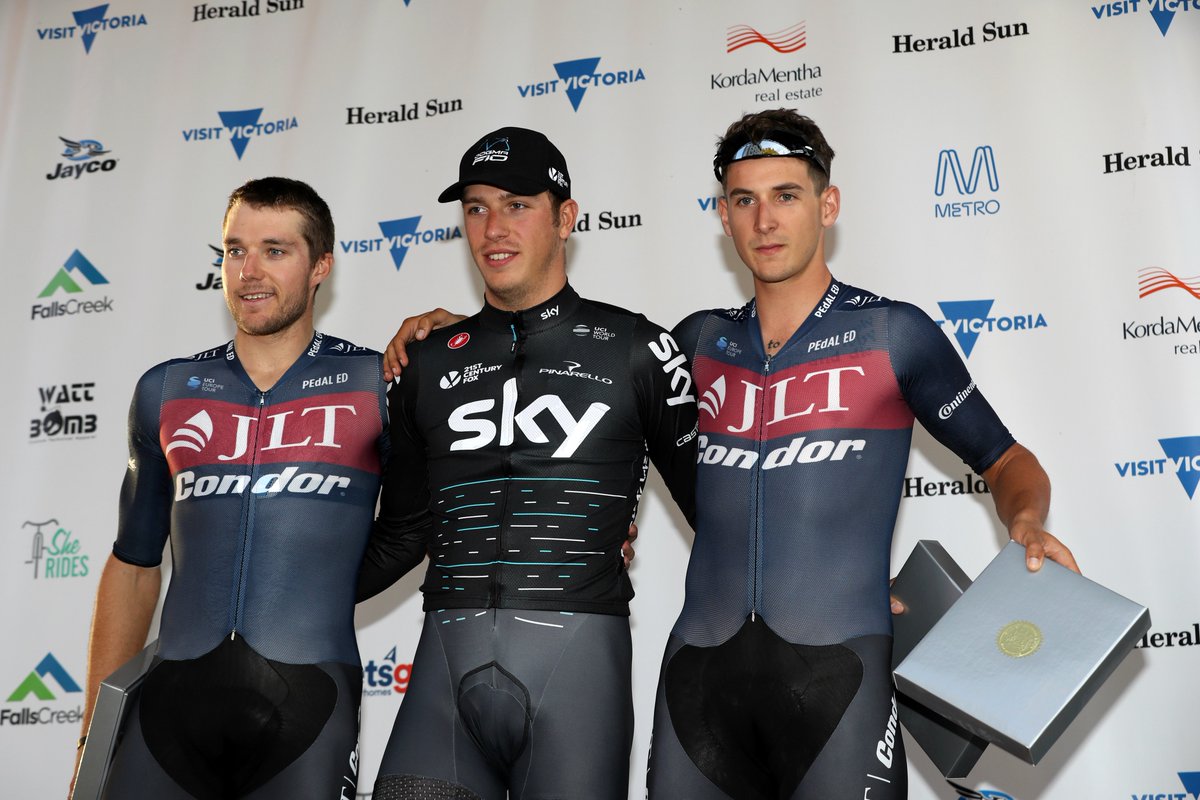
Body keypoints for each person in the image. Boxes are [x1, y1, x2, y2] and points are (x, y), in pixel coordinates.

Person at [641, 109, 1079, 799]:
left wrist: (1025, 521)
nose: (764, 221)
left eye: (786, 195)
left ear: (828, 205)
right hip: (699, 680)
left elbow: (1007, 461)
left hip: (840, 677)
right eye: (744, 200)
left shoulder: (892, 334)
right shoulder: (694, 342)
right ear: (723, 215)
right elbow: (613, 440)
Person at [356, 126, 698, 800]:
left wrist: (834, 592)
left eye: (517, 205)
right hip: (443, 676)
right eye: (476, 208)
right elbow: (402, 534)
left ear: (565, 218)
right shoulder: (425, 362)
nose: (493, 229)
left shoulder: (637, 349)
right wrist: (283, 606)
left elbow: (716, 516)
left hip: (577, 676)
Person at [70, 177, 388, 799]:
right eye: (235, 250)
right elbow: (133, 565)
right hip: (168, 705)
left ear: (320, 266)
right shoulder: (166, 390)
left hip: (309, 704)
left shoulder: (377, 382)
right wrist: (92, 735)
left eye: (275, 250)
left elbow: (433, 516)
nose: (249, 271)